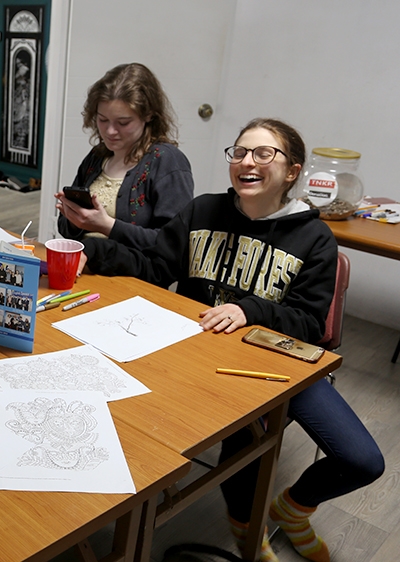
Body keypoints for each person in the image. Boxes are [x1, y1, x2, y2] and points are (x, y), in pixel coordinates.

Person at [78, 118, 383, 562]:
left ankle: (292, 510)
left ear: (293, 170)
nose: (246, 162)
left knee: (362, 461)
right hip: (200, 357)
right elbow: (158, 269)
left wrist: (249, 309)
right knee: (219, 439)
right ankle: (247, 528)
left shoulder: (315, 238)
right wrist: (95, 251)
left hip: (279, 365)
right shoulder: (203, 210)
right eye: (239, 152)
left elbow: (308, 325)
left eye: (263, 154)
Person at [54, 63, 193, 250]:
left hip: (129, 275)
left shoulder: (166, 162)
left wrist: (107, 226)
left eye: (123, 122)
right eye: (102, 120)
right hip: (86, 263)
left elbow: (172, 243)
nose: (110, 131)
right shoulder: (98, 156)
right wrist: (73, 219)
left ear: (149, 116)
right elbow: (65, 228)